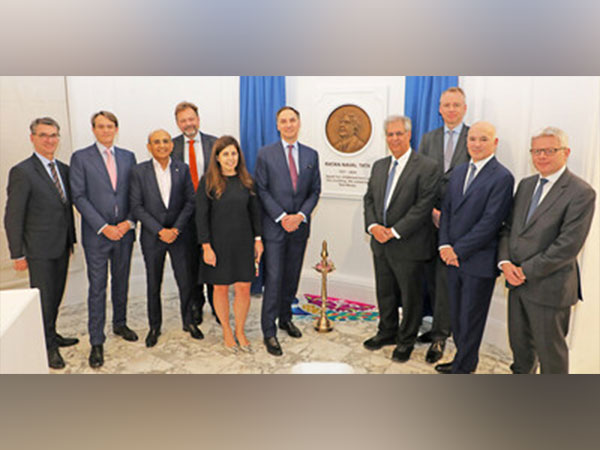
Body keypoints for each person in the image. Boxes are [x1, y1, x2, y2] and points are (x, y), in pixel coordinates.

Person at [498, 127, 595, 374]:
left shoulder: (580, 192)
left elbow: (567, 246)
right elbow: (509, 228)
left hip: (550, 288)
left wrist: (524, 270)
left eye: (549, 150)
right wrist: (506, 263)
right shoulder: (526, 185)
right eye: (536, 151)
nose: (541, 156)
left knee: (551, 356)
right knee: (520, 350)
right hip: (516, 283)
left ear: (566, 153)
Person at [435, 121, 514, 374]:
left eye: (483, 139)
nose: (477, 144)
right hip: (452, 258)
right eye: (472, 139)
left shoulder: (502, 177)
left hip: (477, 261)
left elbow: (490, 223)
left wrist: (457, 250)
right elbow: (446, 211)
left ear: (495, 143)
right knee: (456, 315)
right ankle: (461, 359)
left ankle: (466, 365)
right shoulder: (458, 172)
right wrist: (445, 245)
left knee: (471, 318)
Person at [363, 115, 439, 363]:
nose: (394, 138)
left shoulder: (427, 167)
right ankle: (387, 332)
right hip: (380, 243)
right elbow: (370, 200)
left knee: (411, 298)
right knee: (385, 292)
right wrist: (374, 226)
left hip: (409, 244)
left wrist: (394, 231)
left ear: (409, 135)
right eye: (390, 134)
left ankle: (406, 341)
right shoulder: (379, 166)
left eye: (399, 134)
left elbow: (423, 206)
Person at [4, 117, 77, 370]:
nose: (50, 140)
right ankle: (47, 346)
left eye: (54, 135)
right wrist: (17, 253)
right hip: (39, 250)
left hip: (62, 245)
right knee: (44, 299)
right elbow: (13, 216)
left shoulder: (64, 169)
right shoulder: (22, 172)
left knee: (55, 296)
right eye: (44, 135)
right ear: (32, 137)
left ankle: (51, 333)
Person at [70, 111, 138, 369]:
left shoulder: (128, 157)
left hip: (124, 233)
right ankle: (97, 340)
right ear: (93, 129)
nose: (106, 130)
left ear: (116, 129)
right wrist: (103, 227)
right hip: (97, 236)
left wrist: (128, 222)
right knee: (97, 287)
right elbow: (79, 196)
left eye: (110, 126)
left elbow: (135, 194)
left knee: (121, 281)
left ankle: (120, 324)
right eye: (101, 126)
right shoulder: (80, 158)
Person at [254, 106, 321, 356]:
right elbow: (261, 190)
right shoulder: (265, 154)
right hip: (275, 227)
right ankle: (269, 332)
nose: (289, 124)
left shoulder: (311, 155)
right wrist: (282, 217)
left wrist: (300, 216)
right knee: (273, 279)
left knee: (291, 276)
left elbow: (315, 190)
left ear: (299, 123)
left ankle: (285, 318)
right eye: (284, 121)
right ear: (278, 125)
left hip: (299, 228)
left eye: (293, 120)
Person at [130, 129, 203, 348]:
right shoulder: (138, 171)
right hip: (153, 237)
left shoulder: (183, 169)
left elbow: (191, 202)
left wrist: (176, 229)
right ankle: (154, 326)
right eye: (156, 142)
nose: (161, 145)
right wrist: (160, 230)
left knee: (185, 282)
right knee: (154, 283)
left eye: (165, 141)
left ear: (171, 145)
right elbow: (136, 206)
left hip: (180, 236)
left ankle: (188, 322)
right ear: (149, 146)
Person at [417, 86, 470, 363]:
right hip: (429, 219)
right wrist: (431, 210)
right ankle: (434, 324)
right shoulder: (428, 139)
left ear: (464, 108)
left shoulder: (474, 137)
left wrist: (447, 215)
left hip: (459, 224)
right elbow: (421, 177)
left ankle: (440, 335)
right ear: (439, 108)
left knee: (446, 280)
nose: (451, 109)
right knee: (430, 278)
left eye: (456, 105)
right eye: (446, 105)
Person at [196, 136, 263, 352]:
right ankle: (226, 329)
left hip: (244, 243)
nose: (230, 158)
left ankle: (240, 330)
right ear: (217, 157)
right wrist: (206, 246)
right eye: (225, 154)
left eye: (233, 153)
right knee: (221, 288)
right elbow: (201, 217)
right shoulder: (207, 181)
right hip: (217, 245)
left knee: (244, 288)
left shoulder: (247, 181)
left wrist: (258, 240)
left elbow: (255, 215)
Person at [172, 101, 218, 325]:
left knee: (214, 260)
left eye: (191, 119)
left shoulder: (215, 143)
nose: (188, 123)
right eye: (183, 120)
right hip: (186, 215)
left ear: (198, 120)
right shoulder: (170, 147)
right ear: (178, 123)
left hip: (213, 214)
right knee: (191, 264)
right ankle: (196, 305)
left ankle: (217, 306)